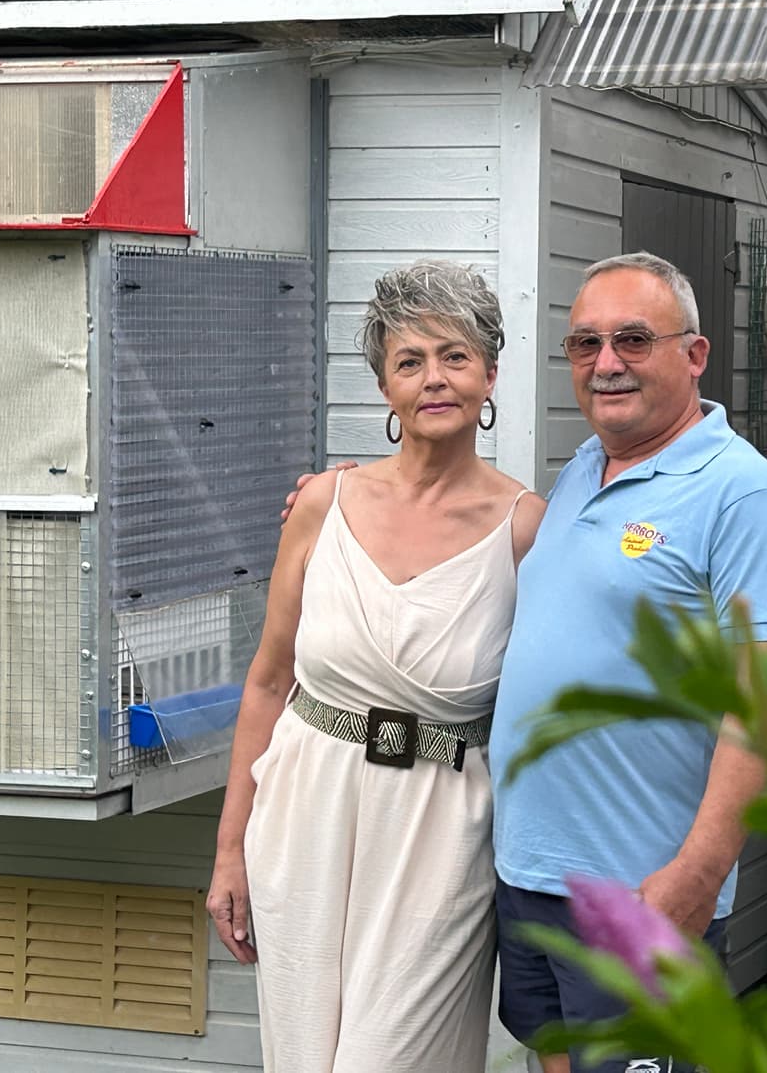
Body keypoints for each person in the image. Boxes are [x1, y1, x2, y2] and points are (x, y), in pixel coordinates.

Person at [207, 259, 544, 1073]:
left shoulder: (527, 528)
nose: (434, 379)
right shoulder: (323, 504)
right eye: (410, 360)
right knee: (302, 1056)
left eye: (455, 357)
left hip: (440, 827)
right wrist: (230, 851)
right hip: (305, 808)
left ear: (490, 375)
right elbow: (267, 680)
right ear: (383, 385)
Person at [490, 253, 767, 1073]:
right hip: (533, 876)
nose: (606, 364)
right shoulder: (577, 477)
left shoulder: (745, 494)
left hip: (644, 887)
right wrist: (348, 490)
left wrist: (700, 873)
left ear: (694, 355)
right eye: (585, 343)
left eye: (633, 339)